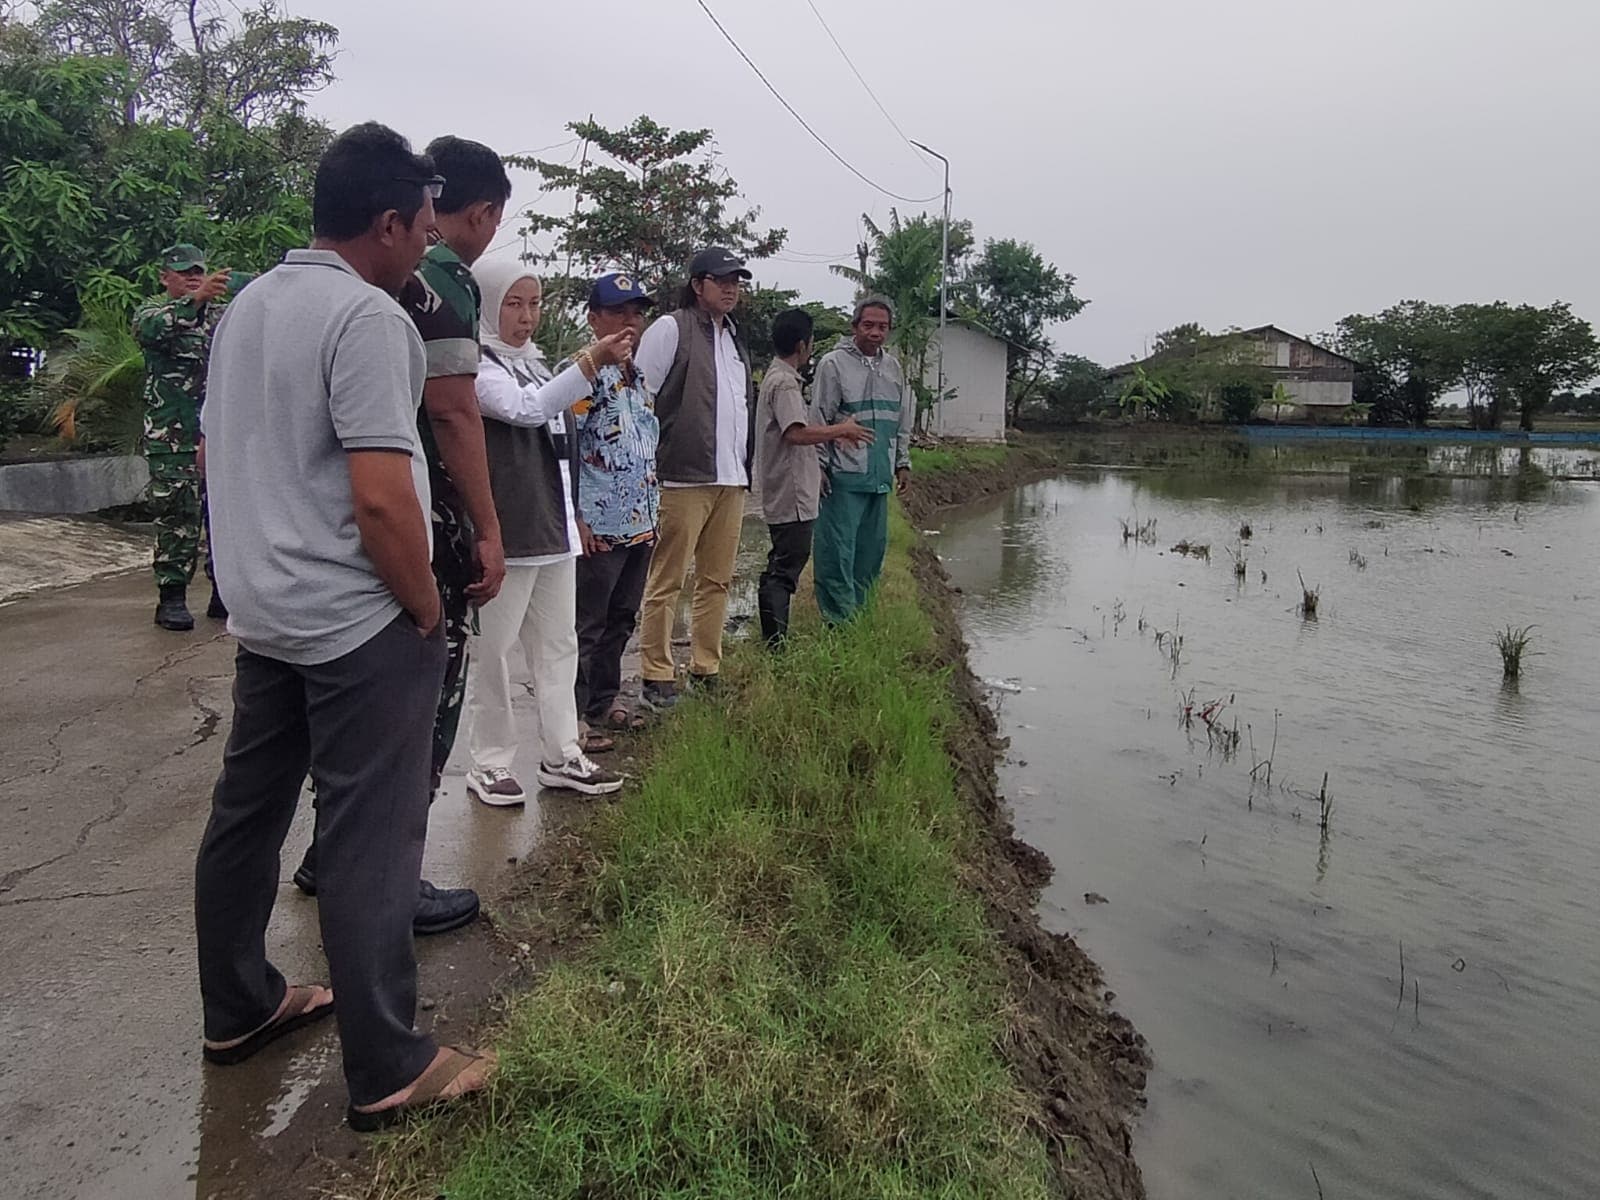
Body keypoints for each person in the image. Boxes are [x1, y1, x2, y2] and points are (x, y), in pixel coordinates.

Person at [195, 122, 495, 1132]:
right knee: (373, 831)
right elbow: (379, 499)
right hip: (352, 617)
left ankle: (240, 1006)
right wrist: (420, 607)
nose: (425, 243)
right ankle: (389, 1064)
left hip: (267, 609)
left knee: (250, 810)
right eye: (419, 224)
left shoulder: (248, 307)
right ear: (386, 224)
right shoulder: (368, 321)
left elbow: (217, 461)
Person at [291, 135, 510, 935]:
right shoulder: (439, 285)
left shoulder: (336, 285)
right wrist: (488, 530)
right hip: (427, 520)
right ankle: (395, 875)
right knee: (423, 700)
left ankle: (331, 849)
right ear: (479, 213)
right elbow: (454, 412)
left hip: (338, 524)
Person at [459, 261, 628, 805]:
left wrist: (573, 512)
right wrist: (590, 360)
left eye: (534, 304)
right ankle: (489, 761)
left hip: (552, 530)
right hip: (510, 531)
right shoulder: (477, 367)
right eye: (513, 304)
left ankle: (562, 752)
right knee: (494, 651)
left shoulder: (532, 365)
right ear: (488, 305)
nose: (526, 317)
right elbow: (528, 412)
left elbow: (559, 447)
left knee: (558, 646)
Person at [631, 247, 756, 711]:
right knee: (667, 579)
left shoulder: (735, 339)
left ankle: (706, 667)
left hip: (730, 478)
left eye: (736, 282)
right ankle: (656, 672)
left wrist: (744, 470)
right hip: (681, 477)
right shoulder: (671, 329)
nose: (730, 288)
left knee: (717, 580)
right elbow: (639, 401)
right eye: (722, 280)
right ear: (698, 284)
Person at [569, 273, 661, 735]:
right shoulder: (580, 377)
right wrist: (575, 517)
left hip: (640, 522)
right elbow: (562, 450)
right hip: (598, 525)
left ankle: (603, 702)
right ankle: (573, 716)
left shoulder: (638, 378)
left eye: (636, 313)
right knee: (588, 622)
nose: (630, 323)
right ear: (594, 318)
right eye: (619, 312)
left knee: (621, 619)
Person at [133, 244, 241, 630]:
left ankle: (223, 591)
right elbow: (150, 330)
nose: (194, 276)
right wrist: (194, 301)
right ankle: (172, 596)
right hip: (172, 434)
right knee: (178, 514)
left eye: (198, 270)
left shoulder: (221, 317)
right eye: (183, 271)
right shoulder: (154, 312)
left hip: (218, 433)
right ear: (165, 277)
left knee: (224, 514)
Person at [753, 308, 874, 646]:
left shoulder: (778, 378)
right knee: (784, 568)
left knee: (783, 563)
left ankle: (775, 639)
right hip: (790, 493)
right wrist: (842, 430)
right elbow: (796, 433)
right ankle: (775, 643)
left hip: (792, 487)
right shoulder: (785, 383)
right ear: (804, 346)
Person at [812, 296, 913, 625]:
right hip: (843, 476)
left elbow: (901, 421)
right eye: (868, 325)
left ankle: (861, 614)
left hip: (879, 476)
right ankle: (837, 621)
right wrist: (819, 467)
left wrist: (902, 462)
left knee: (871, 552)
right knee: (837, 551)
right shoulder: (833, 364)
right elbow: (820, 418)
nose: (875, 332)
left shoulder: (893, 367)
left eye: (882, 327)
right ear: (855, 326)